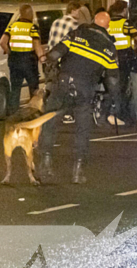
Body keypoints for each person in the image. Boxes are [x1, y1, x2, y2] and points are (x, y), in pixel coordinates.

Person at [38, 11, 119, 184]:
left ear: (92, 21)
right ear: (108, 26)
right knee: (82, 129)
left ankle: (45, 165)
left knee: (49, 122)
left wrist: (50, 71)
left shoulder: (76, 34)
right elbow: (112, 79)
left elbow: (53, 55)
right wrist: (113, 98)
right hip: (85, 89)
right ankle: (78, 172)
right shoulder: (109, 47)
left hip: (63, 83)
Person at [0, 4, 42, 115]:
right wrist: (42, 57)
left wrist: (10, 52)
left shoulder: (12, 26)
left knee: (15, 89)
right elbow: (36, 45)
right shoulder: (32, 27)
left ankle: (13, 115)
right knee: (33, 89)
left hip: (14, 61)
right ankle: (33, 113)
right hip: (29, 61)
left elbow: (2, 42)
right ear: (29, 14)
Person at [105, 0, 137, 126]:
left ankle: (108, 112)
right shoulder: (126, 23)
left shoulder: (107, 23)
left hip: (109, 58)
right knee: (122, 88)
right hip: (124, 59)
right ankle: (120, 114)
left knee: (111, 87)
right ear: (124, 10)